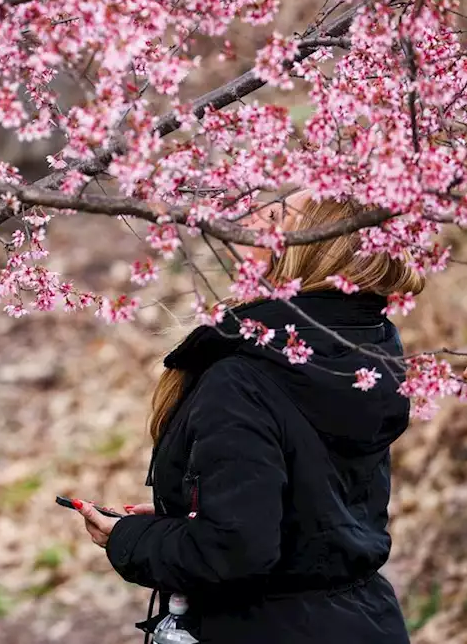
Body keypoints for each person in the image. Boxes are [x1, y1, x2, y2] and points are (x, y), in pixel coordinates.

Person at [72, 192, 426, 643]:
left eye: (277, 215)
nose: (250, 216)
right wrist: (184, 516)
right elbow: (312, 507)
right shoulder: (371, 351)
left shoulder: (243, 380)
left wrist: (130, 539)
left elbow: (235, 552)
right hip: (365, 622)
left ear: (308, 251)